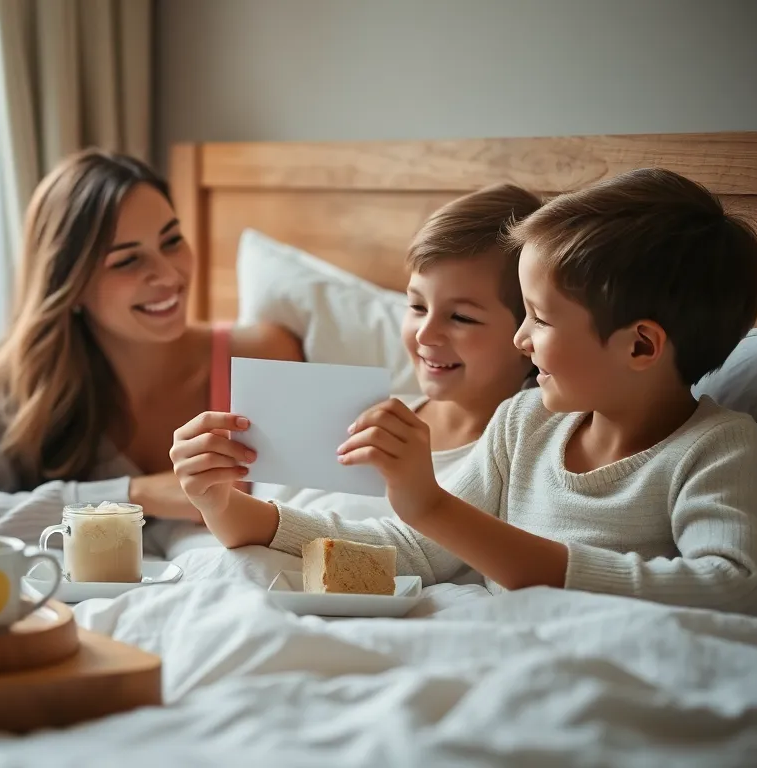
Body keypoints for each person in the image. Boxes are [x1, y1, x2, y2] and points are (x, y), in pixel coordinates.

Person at [172, 168, 757, 617]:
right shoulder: (525, 423)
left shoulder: (718, 448)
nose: (521, 340)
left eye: (539, 319)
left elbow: (735, 589)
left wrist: (442, 513)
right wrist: (228, 509)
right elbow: (413, 550)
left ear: (641, 347)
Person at [0, 149, 301, 548]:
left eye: (172, 240)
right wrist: (135, 495)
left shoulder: (258, 357)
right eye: (127, 261)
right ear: (70, 285)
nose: (167, 274)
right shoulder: (4, 388)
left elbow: (320, 513)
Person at [164, 183, 543, 560]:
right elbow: (277, 518)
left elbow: (407, 549)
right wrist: (214, 501)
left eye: (461, 317)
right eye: (416, 306)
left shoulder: (520, 447)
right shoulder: (366, 417)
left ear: (530, 331)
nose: (426, 333)